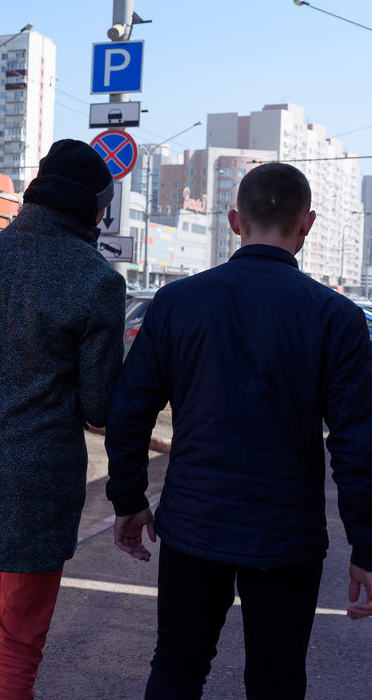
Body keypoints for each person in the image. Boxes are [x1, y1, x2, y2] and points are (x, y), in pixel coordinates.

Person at [105, 162, 372, 700]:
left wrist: (128, 498)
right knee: (276, 677)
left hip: (192, 524)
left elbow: (130, 408)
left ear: (234, 220)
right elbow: (358, 444)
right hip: (287, 536)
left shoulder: (177, 303)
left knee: (178, 663)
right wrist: (366, 545)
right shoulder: (336, 317)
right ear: (308, 223)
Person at [0, 139, 125, 700]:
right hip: (36, 483)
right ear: (96, 209)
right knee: (22, 643)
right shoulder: (97, 280)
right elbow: (97, 407)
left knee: (4, 608)